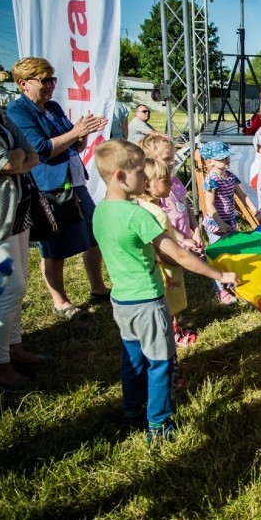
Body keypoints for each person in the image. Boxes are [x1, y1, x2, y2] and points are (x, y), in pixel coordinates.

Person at [92, 139, 237, 441]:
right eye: (140, 173)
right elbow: (179, 255)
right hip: (148, 300)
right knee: (161, 362)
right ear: (120, 176)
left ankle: (132, 411)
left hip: (122, 301)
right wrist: (219, 274)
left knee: (133, 359)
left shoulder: (101, 211)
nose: (145, 179)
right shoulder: (137, 215)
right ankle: (159, 424)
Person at [6, 57, 110, 320]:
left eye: (53, 79)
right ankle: (61, 302)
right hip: (48, 187)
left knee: (94, 235)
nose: (51, 85)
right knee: (54, 247)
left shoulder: (52, 106)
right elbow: (40, 150)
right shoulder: (18, 112)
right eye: (44, 80)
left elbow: (74, 145)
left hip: (75, 182)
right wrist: (76, 132)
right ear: (23, 83)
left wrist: (83, 132)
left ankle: (98, 288)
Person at [0, 107, 45, 393]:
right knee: (10, 288)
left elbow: (31, 153)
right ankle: (1, 363)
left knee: (21, 283)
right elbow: (6, 161)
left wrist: (15, 158)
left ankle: (14, 346)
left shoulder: (2, 115)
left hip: (16, 213)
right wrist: (14, 158)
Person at [136, 157, 195, 347]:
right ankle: (173, 336)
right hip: (165, 269)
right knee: (170, 304)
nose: (171, 183)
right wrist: (184, 259)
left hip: (157, 267)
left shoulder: (143, 207)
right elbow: (161, 251)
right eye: (165, 180)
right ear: (147, 185)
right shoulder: (158, 214)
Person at [200, 140, 260, 304]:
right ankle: (221, 291)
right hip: (216, 225)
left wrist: (256, 212)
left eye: (227, 156)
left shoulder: (230, 176)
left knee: (232, 254)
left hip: (230, 221)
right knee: (218, 256)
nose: (226, 159)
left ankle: (232, 282)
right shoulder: (212, 179)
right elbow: (210, 206)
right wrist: (220, 224)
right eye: (221, 158)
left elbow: (243, 195)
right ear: (210, 162)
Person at [140, 134, 203, 252]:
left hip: (187, 241)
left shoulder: (175, 181)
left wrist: (197, 231)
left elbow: (186, 208)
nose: (172, 162)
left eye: (172, 157)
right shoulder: (156, 189)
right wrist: (182, 239)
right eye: (166, 159)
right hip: (170, 244)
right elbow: (161, 222)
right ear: (150, 161)